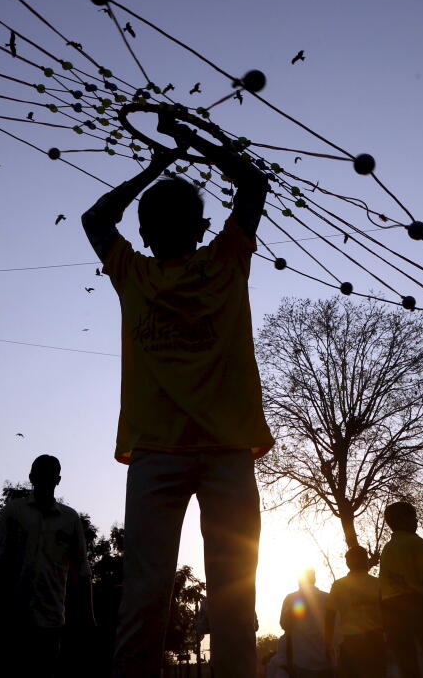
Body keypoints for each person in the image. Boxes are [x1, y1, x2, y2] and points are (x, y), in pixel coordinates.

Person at [83, 109, 273, 678]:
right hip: (200, 453)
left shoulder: (148, 270)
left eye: (173, 216)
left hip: (187, 454)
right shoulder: (217, 260)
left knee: (157, 597)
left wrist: (161, 161)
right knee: (216, 602)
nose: (160, 227)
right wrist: (184, 149)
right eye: (156, 219)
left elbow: (97, 216)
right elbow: (254, 183)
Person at [0, 454, 92, 678]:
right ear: (32, 478)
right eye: (41, 474)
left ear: (58, 479)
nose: (46, 479)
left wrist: (89, 619)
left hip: (51, 618)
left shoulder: (70, 518)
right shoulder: (13, 512)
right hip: (13, 616)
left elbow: (82, 571)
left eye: (50, 474)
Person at [378, 501, 423, 678]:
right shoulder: (414, 542)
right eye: (414, 518)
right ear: (403, 520)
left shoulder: (387, 548)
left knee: (406, 662)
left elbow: (382, 585)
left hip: (392, 610)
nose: (416, 522)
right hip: (417, 604)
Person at [324, 548, 383, 678]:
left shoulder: (338, 585)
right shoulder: (378, 583)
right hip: (376, 642)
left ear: (348, 564)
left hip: (351, 643)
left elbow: (329, 616)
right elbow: (388, 612)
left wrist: (328, 644)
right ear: (366, 561)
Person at [280, 568, 333, 678]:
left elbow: (284, 624)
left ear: (299, 580)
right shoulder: (327, 598)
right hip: (326, 660)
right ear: (314, 579)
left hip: (301, 660)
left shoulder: (292, 598)